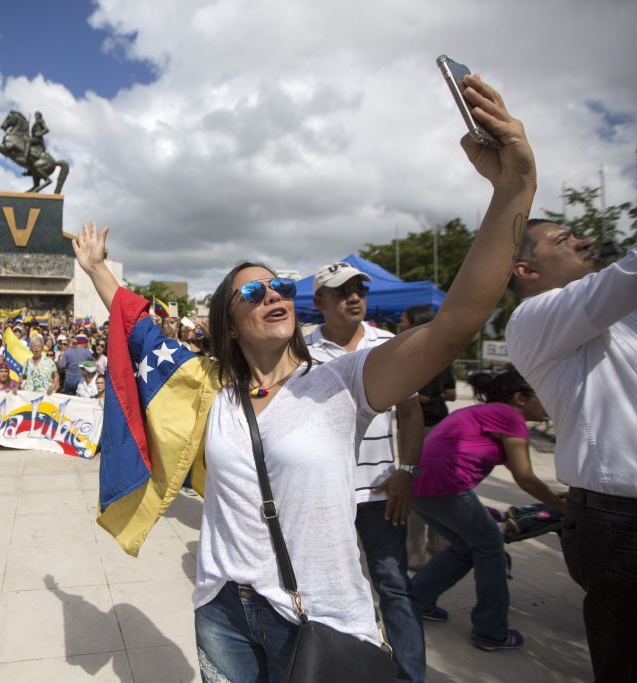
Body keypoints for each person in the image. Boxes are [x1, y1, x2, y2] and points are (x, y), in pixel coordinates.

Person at [73, 71, 536, 681]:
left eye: (280, 286)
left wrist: (513, 189)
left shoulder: (345, 379)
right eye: (253, 291)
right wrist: (98, 271)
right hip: (220, 607)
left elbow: (454, 325)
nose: (274, 295)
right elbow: (141, 330)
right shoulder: (210, 385)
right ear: (230, 324)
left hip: (317, 616)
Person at [504, 221, 637, 681]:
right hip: (621, 522)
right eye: (562, 240)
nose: (583, 241)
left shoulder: (616, 317)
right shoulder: (534, 316)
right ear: (526, 270)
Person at [304, 263, 426, 683]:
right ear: (320, 302)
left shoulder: (387, 344)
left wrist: (406, 470)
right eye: (341, 291)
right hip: (323, 494)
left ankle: (410, 676)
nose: (354, 297)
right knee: (324, 592)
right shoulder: (300, 351)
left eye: (359, 289)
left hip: (378, 492)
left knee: (393, 586)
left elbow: (411, 411)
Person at [411, 369, 565, 650]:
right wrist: (562, 506)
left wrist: (556, 496)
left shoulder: (489, 413)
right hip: (447, 486)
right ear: (520, 398)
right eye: (544, 397)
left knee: (464, 548)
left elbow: (518, 471)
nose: (549, 404)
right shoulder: (511, 417)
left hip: (420, 487)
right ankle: (490, 631)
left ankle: (417, 600)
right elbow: (525, 477)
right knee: (490, 546)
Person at [399, 305, 457, 570]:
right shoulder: (442, 357)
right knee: (436, 487)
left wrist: (423, 397)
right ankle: (439, 545)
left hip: (421, 430)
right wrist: (436, 395)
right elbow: (452, 394)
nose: (399, 324)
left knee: (415, 489)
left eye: (403, 320)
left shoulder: (408, 357)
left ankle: (415, 553)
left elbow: (415, 399)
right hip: (442, 428)